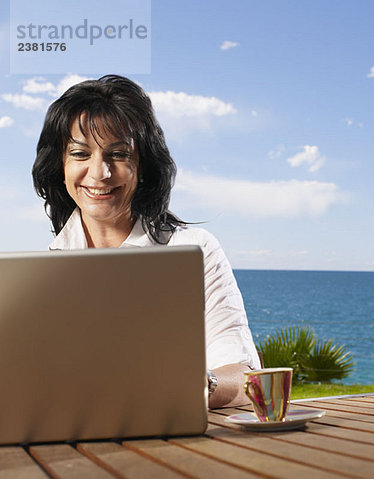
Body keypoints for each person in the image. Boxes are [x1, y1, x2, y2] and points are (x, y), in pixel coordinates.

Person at [32, 74, 260, 409]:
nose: (99, 173)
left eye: (119, 154)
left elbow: (244, 379)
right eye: (80, 154)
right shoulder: (43, 273)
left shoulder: (193, 250)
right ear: (60, 166)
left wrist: (195, 385)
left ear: (144, 166)